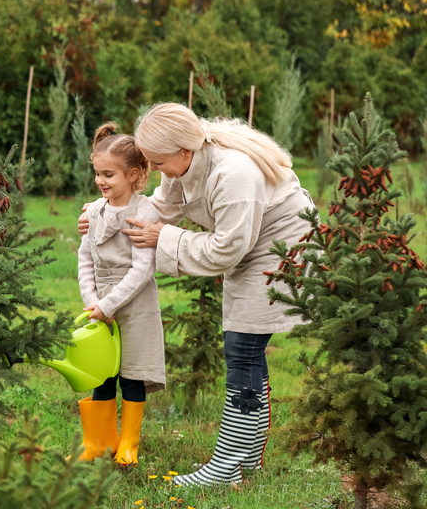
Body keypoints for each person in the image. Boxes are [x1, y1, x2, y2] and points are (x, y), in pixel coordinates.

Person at [77, 102, 313, 487]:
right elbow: (162, 208)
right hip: (247, 241)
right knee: (245, 348)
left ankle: (228, 465)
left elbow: (226, 249)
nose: (156, 170)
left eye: (159, 161)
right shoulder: (183, 163)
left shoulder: (234, 175)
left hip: (280, 245)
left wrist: (164, 238)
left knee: (243, 347)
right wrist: (105, 212)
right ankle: (247, 459)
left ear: (184, 151)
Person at [75, 122, 165, 467]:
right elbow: (85, 258)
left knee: (131, 372)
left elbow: (143, 270)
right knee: (103, 372)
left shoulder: (144, 212)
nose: (101, 181)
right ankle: (98, 441)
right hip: (100, 303)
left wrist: (110, 303)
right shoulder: (93, 211)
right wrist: (93, 302)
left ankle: (128, 444)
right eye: (98, 173)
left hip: (136, 304)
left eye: (109, 174)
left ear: (134, 175)